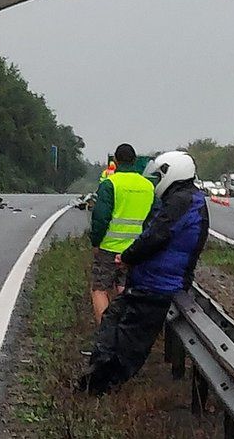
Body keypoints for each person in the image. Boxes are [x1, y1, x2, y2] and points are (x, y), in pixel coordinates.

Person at [78, 151, 209, 395]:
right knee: (113, 318)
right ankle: (95, 376)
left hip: (158, 286)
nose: (157, 182)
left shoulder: (181, 202)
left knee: (129, 340)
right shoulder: (182, 198)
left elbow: (156, 234)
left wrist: (128, 256)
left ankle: (100, 387)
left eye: (160, 176)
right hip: (152, 280)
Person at [89, 144, 154, 325]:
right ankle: (125, 332)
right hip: (135, 251)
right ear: (134, 161)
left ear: (115, 161)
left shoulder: (110, 184)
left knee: (100, 289)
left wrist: (96, 242)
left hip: (109, 248)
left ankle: (106, 335)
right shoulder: (148, 187)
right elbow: (154, 219)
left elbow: (100, 217)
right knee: (125, 289)